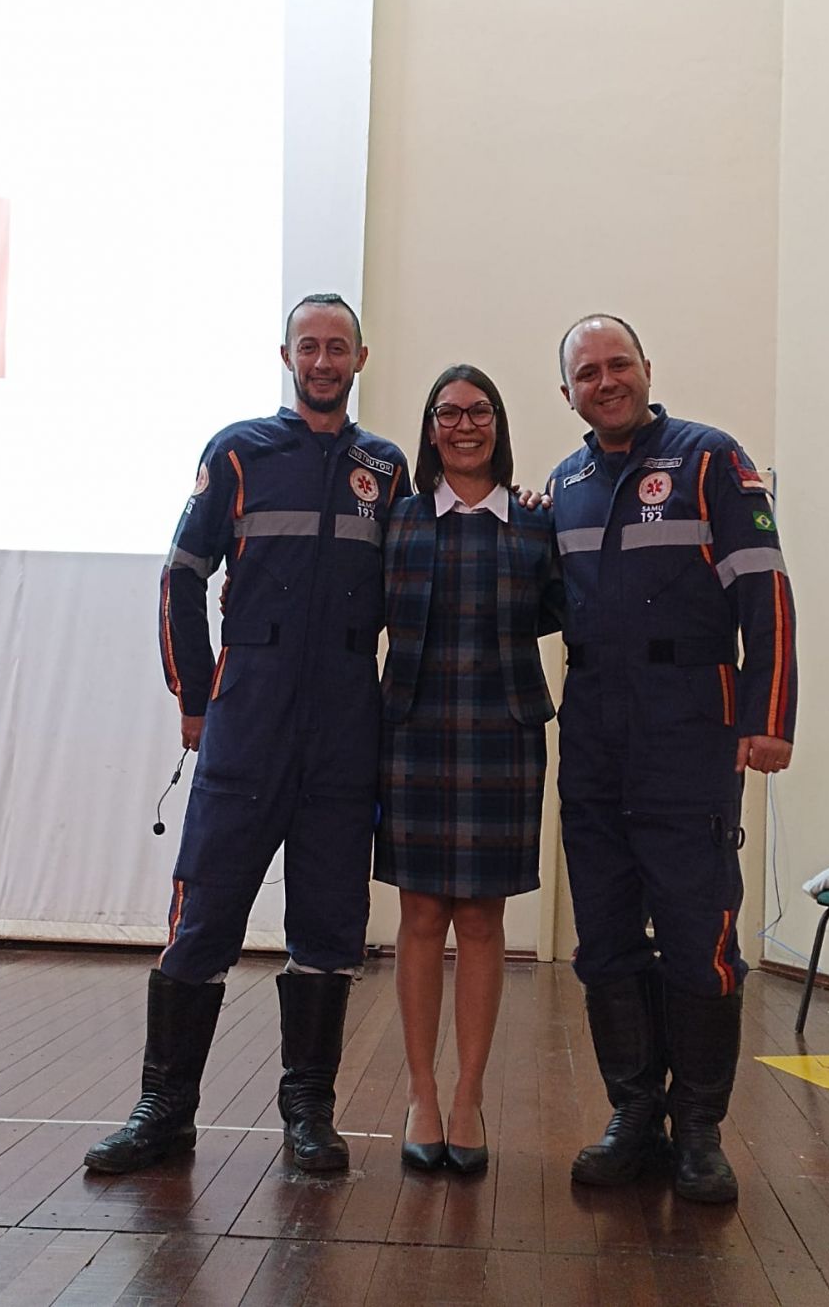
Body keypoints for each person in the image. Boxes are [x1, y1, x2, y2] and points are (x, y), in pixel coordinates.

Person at [84, 293, 410, 1177]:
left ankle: (308, 1114)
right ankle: (164, 1111)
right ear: (286, 355)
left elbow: (417, 582)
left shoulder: (386, 467)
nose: (322, 361)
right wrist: (195, 695)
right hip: (248, 720)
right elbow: (182, 576)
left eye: (337, 347)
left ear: (361, 359)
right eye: (309, 346)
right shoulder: (237, 451)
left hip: (345, 728)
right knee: (203, 918)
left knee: (330, 927)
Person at [549, 314, 797, 1204]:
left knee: (700, 936)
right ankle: (632, 1115)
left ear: (647, 369)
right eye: (587, 372)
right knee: (605, 935)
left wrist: (770, 716)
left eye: (618, 364)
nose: (606, 381)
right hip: (594, 736)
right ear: (567, 392)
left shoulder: (710, 459)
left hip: (691, 731)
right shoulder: (564, 484)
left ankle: (698, 1131)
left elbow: (766, 589)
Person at [375, 364, 561, 1174]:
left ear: (499, 424)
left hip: (502, 732)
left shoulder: (536, 522)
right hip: (415, 730)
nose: (464, 425)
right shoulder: (399, 521)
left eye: (478, 411)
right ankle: (421, 1095)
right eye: (448, 413)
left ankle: (467, 1097)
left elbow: (561, 609)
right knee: (421, 915)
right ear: (429, 429)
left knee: (483, 920)